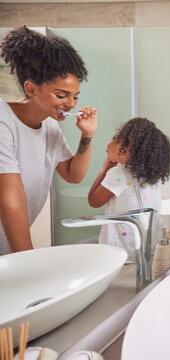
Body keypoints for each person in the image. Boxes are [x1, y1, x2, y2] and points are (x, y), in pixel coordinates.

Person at [0, 26, 97, 256]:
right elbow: (11, 198)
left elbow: (73, 175)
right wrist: (28, 260)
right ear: (31, 88)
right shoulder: (3, 122)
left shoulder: (50, 124)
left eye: (75, 97)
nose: (71, 104)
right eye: (61, 95)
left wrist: (88, 134)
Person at [88, 117, 170, 262]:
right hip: (148, 247)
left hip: (119, 251)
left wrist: (106, 168)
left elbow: (94, 201)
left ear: (126, 151)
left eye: (115, 139)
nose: (110, 143)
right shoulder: (152, 175)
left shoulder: (118, 174)